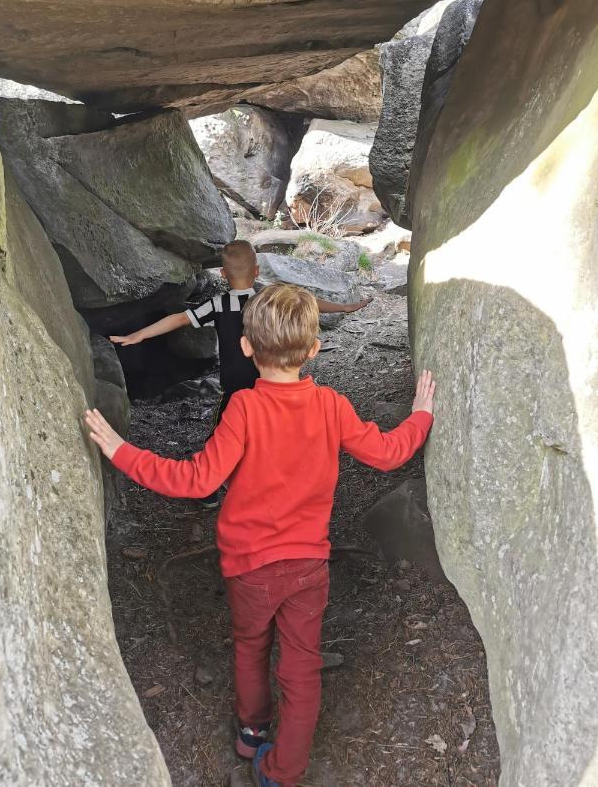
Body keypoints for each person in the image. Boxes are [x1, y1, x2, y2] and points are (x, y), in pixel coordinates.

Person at [86, 284, 435, 787]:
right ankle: (285, 770)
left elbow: (196, 480)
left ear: (247, 347)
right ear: (314, 349)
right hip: (308, 568)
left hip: (249, 568)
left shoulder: (244, 409)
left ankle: (251, 731)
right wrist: (421, 413)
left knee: (250, 645)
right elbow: (386, 453)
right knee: (301, 668)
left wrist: (123, 451)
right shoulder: (331, 406)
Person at [109, 239, 371, 510]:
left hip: (234, 389)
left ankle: (208, 489)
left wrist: (139, 334)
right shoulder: (266, 298)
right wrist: (343, 308)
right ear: (257, 271)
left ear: (223, 274)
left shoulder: (218, 304)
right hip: (268, 384)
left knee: (221, 435)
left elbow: (180, 319)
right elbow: (306, 303)